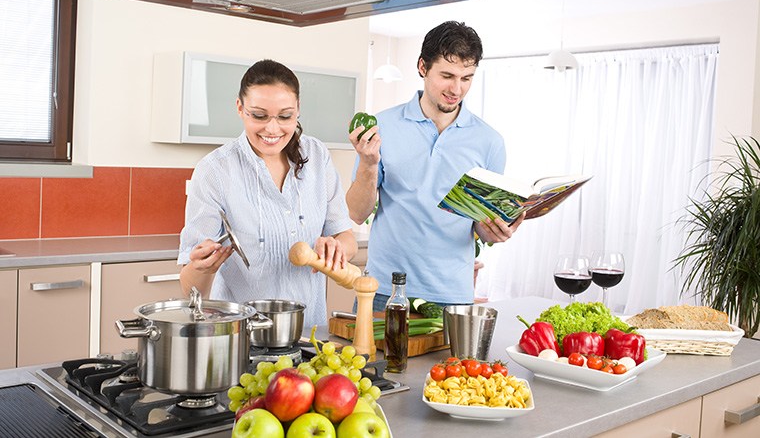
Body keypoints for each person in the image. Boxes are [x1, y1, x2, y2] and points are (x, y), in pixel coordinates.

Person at [346, 21, 524, 311]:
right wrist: (368, 163)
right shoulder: (382, 126)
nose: (457, 88)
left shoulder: (489, 141)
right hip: (383, 291)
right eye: (447, 75)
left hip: (451, 296)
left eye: (467, 78)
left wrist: (496, 231)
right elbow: (356, 212)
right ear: (422, 67)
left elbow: (481, 225)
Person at [178, 59, 357, 327]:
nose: (272, 129)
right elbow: (192, 289)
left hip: (310, 333)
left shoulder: (317, 156)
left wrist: (337, 247)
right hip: (241, 336)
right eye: (259, 115)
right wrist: (200, 267)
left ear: (298, 111)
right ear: (240, 108)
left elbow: (346, 238)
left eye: (285, 116)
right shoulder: (215, 170)